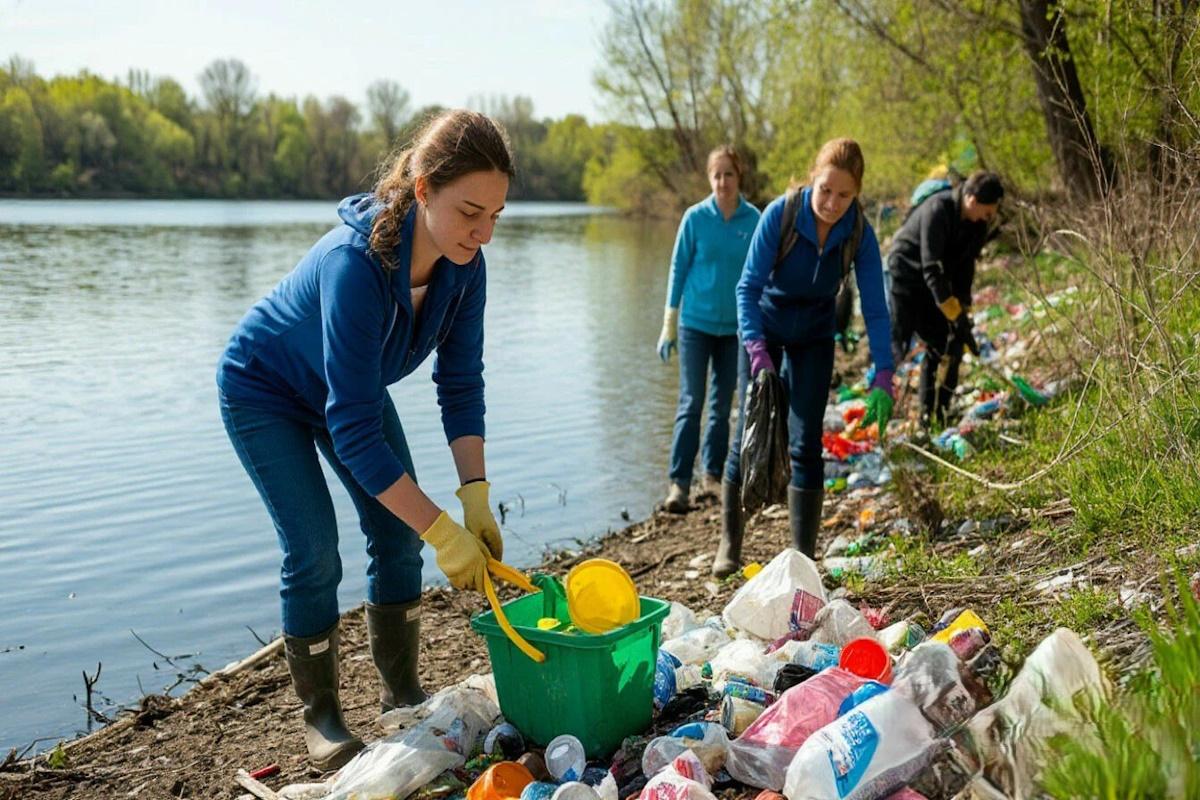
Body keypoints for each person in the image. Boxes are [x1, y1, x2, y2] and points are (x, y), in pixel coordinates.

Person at [216, 110, 512, 770]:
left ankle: (400, 692)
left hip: (348, 389)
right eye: (470, 211)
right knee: (316, 549)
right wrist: (444, 532)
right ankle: (320, 716)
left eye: (495, 215)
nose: (483, 231)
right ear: (426, 188)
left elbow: (460, 382)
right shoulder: (357, 265)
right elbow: (353, 430)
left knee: (397, 533)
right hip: (265, 389)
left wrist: (475, 499)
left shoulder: (466, 268)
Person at [712, 138, 894, 577]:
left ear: (856, 194)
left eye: (844, 194)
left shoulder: (858, 233)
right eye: (825, 190)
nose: (832, 203)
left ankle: (803, 559)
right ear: (813, 179)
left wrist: (884, 371)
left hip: (814, 333)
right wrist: (756, 350)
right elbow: (747, 287)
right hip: (764, 329)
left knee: (807, 443)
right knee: (747, 435)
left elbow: (874, 306)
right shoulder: (782, 213)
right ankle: (730, 544)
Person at [656, 145, 761, 513]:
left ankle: (712, 478)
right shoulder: (695, 218)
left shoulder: (753, 220)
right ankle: (678, 484)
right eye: (716, 175)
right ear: (709, 178)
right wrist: (669, 322)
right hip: (695, 326)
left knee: (720, 407)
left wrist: (762, 327)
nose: (722, 182)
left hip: (735, 330)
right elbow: (678, 268)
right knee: (691, 403)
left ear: (739, 176)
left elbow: (761, 274)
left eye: (728, 174)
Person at [887, 170, 1003, 425]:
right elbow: (931, 268)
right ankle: (883, 406)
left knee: (942, 342)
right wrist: (953, 313)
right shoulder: (938, 209)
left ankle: (932, 416)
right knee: (899, 344)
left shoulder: (977, 225)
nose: (989, 218)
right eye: (987, 211)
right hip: (907, 275)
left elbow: (965, 269)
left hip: (934, 284)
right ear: (972, 199)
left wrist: (963, 314)